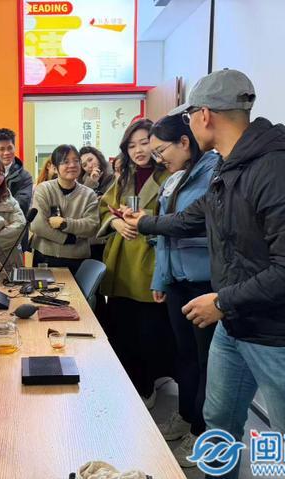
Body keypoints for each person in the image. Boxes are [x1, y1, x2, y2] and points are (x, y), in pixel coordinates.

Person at [124, 69, 285, 479]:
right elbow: (190, 218)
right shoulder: (226, 166)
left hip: (281, 335)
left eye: (189, 117)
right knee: (218, 422)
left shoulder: (278, 168)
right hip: (235, 325)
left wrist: (221, 301)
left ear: (205, 115)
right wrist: (143, 222)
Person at [147, 115, 219, 467]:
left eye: (161, 150)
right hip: (177, 281)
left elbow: (193, 225)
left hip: (205, 283)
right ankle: (186, 417)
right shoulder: (175, 178)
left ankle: (201, 432)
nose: (159, 158)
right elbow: (164, 234)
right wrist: (161, 279)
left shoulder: (214, 172)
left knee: (208, 362)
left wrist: (150, 223)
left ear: (184, 142)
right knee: (185, 355)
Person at [97, 119, 173, 409]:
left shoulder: (169, 175)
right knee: (122, 327)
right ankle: (128, 384)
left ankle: (146, 385)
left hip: (150, 259)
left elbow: (178, 219)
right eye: (131, 145)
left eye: (144, 143)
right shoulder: (124, 177)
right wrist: (115, 222)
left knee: (148, 330)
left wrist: (145, 222)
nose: (139, 150)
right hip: (122, 259)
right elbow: (103, 208)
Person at [30, 144, 99, 275]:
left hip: (77, 259)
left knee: (75, 289)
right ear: (55, 168)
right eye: (65, 162)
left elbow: (92, 226)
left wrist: (65, 223)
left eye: (76, 161)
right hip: (45, 256)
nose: (72, 165)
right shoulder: (44, 189)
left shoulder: (89, 194)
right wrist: (68, 239)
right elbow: (38, 225)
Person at [0, 128, 33, 217]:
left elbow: (22, 204)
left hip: (15, 223)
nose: (7, 153)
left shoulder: (25, 177)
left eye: (10, 148)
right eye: (2, 149)